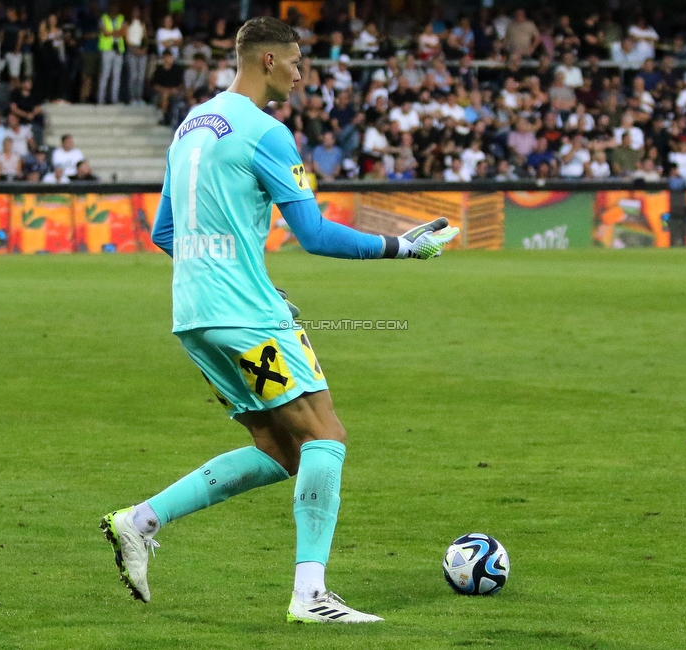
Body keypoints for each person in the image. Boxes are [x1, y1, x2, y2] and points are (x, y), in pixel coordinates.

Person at [99, 16, 458, 625]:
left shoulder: (190, 127)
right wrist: (401, 247)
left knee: (282, 449)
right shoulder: (267, 132)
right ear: (267, 61)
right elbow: (314, 235)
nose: (301, 73)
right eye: (296, 62)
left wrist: (232, 275)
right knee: (326, 437)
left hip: (193, 315)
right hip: (246, 314)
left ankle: (139, 521)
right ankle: (310, 596)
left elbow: (165, 231)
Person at [97, 2, 126, 104]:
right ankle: (101, 99)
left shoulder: (121, 18)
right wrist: (117, 32)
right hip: (107, 49)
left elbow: (124, 32)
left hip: (118, 50)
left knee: (116, 75)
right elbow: (104, 32)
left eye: (116, 7)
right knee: (105, 74)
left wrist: (111, 33)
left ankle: (114, 99)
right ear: (109, 8)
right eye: (112, 7)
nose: (114, 9)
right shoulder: (103, 18)